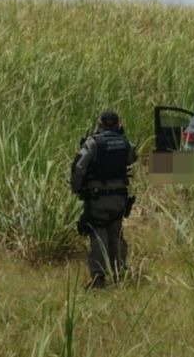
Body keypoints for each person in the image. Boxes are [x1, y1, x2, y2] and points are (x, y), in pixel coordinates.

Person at [70, 110, 137, 289]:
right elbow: (132, 159)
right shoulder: (126, 143)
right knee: (116, 233)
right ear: (118, 124)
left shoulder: (93, 143)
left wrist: (76, 188)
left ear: (100, 124)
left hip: (97, 197)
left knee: (99, 235)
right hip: (118, 198)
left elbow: (78, 167)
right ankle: (119, 271)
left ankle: (98, 277)